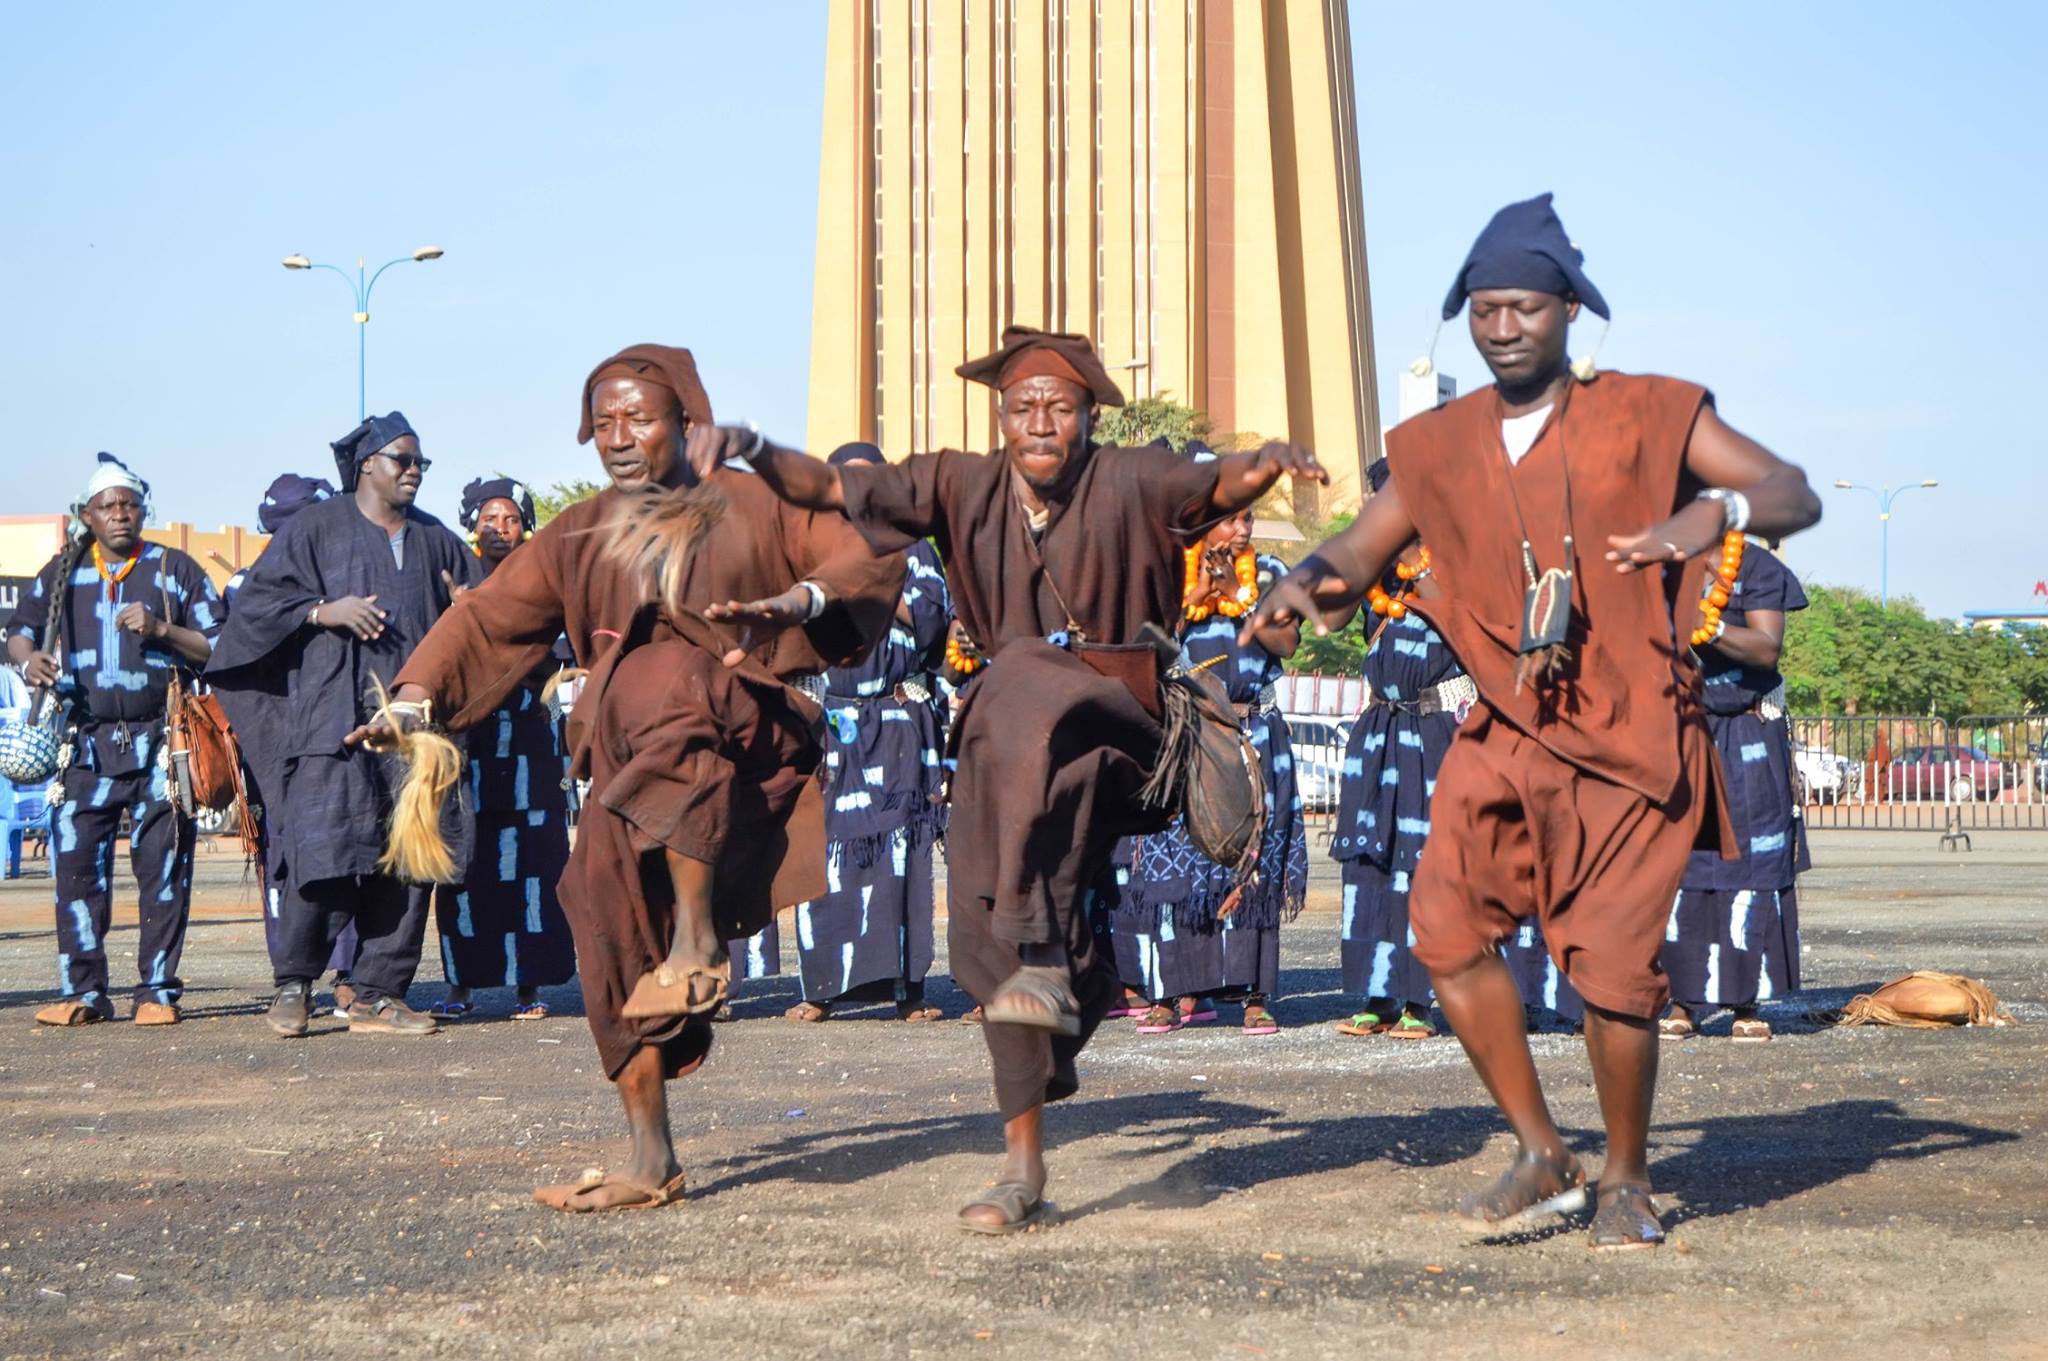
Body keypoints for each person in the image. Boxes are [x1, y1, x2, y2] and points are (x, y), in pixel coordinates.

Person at [1245, 194, 1821, 1250]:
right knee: (1445, 932)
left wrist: (1713, 511)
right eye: (1481, 308)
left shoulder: (1648, 410)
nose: (1501, 327)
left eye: (1522, 307)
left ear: (1568, 312)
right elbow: (1357, 549)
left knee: (1609, 969)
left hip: (1632, 737)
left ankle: (1627, 1177)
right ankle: (1539, 1147)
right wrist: (1295, 582)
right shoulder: (1432, 443)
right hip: (1502, 733)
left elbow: (1790, 489)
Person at [724, 324, 1328, 1233]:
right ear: (1000, 417)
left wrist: (1270, 461)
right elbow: (832, 485)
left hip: (1121, 729)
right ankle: (1023, 1161)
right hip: (1013, 759)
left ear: (1089, 415)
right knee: (994, 936)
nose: (1040, 421)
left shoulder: (1130, 476)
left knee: (1019, 678)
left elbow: (1218, 482)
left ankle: (1043, 950)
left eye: (1060, 406)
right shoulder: (959, 483)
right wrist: (749, 448)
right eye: (1022, 406)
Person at [361, 343, 903, 1211]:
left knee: (664, 674)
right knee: (595, 904)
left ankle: (697, 936)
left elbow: (862, 551)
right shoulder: (581, 531)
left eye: (637, 418)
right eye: (603, 421)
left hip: (741, 742)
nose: (618, 436)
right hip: (630, 771)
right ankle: (652, 1159)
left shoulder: (754, 500)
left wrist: (800, 600)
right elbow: (491, 617)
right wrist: (415, 700)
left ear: (683, 420)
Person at [207, 414, 480, 1038]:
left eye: (420, 464)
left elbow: (485, 607)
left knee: (412, 861)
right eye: (403, 461)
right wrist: (321, 610)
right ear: (367, 466)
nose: (414, 472)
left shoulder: (437, 538)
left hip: (413, 729)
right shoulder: (313, 529)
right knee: (323, 853)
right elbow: (252, 609)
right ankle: (294, 986)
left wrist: (470, 610)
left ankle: (379, 993)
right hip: (329, 721)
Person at [1330, 463, 1582, 1040]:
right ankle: (1381, 995)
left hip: (1439, 733)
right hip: (1379, 736)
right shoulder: (1380, 574)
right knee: (1375, 861)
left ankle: (1424, 1000)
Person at [5, 454, 223, 1026]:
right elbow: (18, 636)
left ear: (143, 510)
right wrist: (32, 664)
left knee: (163, 865)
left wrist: (160, 630)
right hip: (84, 747)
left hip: (163, 740)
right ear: (86, 515)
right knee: (75, 867)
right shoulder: (59, 572)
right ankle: (83, 991)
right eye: (108, 506)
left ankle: (156, 991)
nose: (120, 514)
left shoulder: (175, 569)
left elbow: (218, 645)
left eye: (130, 504)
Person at [1110, 501, 1306, 1037]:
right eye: (1230, 519)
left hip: (1254, 732)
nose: (1241, 529)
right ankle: (1174, 994)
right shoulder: (1169, 573)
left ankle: (1254, 997)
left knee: (1251, 861)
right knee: (1179, 860)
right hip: (1188, 735)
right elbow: (1146, 650)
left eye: (1248, 519)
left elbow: (1287, 642)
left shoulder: (1271, 574)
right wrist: (1193, 598)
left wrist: (1243, 601)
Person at [782, 442, 954, 1025]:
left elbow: (934, 625)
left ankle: (909, 992)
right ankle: (822, 989)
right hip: (831, 722)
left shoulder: (913, 546)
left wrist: (875, 584)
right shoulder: (808, 547)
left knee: (901, 857)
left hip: (898, 721)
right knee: (826, 857)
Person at [428, 477, 578, 1020]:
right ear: (473, 525)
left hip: (529, 744)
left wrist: (500, 628)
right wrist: (461, 614)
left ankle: (529, 987)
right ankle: (461, 986)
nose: (499, 528)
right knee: (463, 862)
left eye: (510, 518)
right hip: (466, 745)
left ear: (526, 527)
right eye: (489, 518)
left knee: (534, 865)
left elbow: (557, 664)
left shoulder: (545, 585)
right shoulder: (452, 582)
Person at [1659, 545, 1809, 1042]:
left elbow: (1767, 648)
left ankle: (1746, 1004)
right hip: (1680, 732)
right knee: (1681, 866)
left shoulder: (1757, 567)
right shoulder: (1658, 566)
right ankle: (1681, 1003)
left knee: (1749, 864)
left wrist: (1711, 626)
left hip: (1748, 734)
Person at [230, 472, 362, 1010]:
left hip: (342, 736)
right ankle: (293, 978)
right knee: (283, 857)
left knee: (349, 848)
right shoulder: (245, 588)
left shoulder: (353, 582)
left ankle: (350, 975)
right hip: (273, 743)